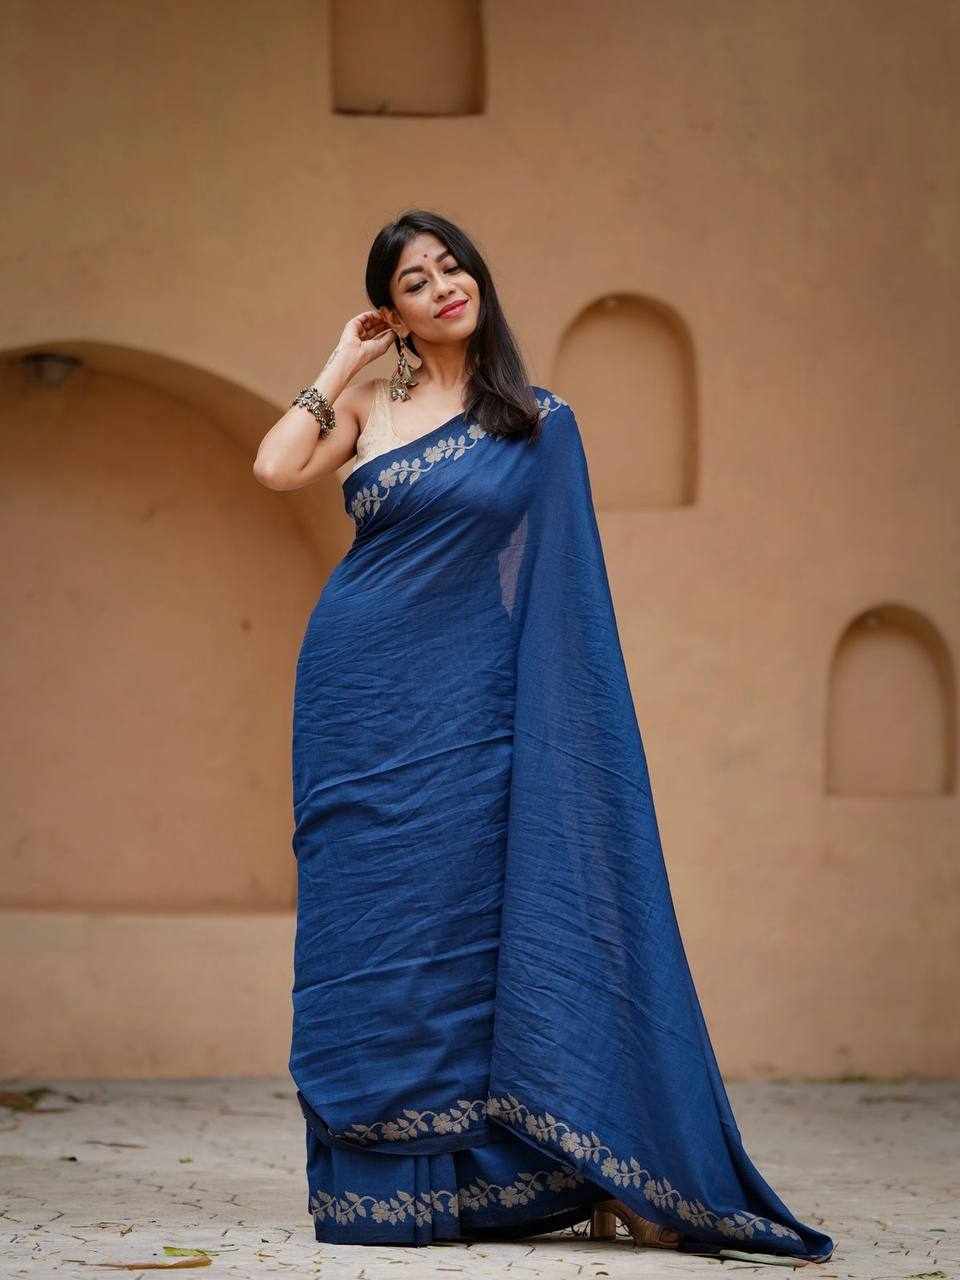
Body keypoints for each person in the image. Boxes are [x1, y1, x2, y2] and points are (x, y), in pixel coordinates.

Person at [253, 209, 835, 1263]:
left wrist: (540, 716)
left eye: (453, 266)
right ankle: (381, 1175)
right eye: (415, 280)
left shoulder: (534, 422)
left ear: (479, 280)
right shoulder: (367, 407)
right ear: (393, 310)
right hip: (354, 698)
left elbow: (560, 590)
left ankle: (544, 1174)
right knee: (367, 928)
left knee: (457, 925)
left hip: (466, 711)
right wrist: (340, 361)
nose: (443, 286)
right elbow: (275, 467)